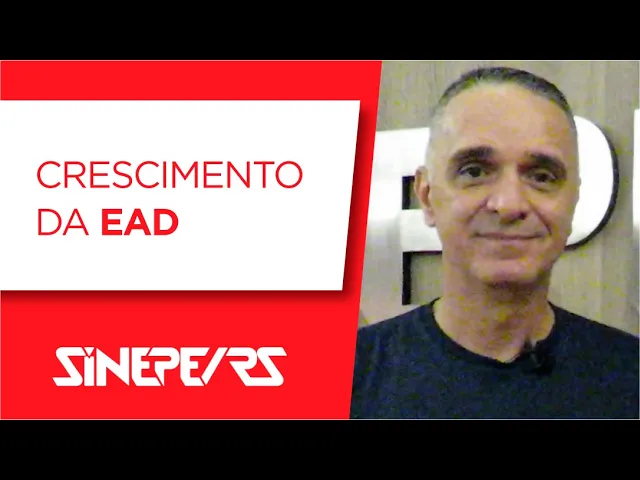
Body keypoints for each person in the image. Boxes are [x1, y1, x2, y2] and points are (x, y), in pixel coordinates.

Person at [350, 66, 639, 419]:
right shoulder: (344, 382)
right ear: (426, 196)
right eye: (474, 171)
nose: (508, 204)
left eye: (541, 176)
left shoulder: (631, 378)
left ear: (573, 200)